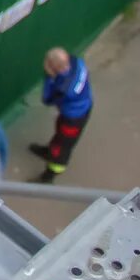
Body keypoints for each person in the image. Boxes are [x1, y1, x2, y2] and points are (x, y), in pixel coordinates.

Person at [32, 47, 92, 183]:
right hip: (83, 107)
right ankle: (49, 152)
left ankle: (49, 175)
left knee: (62, 147)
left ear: (55, 67)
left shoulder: (63, 89)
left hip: (73, 118)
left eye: (48, 63)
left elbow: (47, 99)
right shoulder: (77, 62)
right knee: (60, 136)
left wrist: (50, 77)